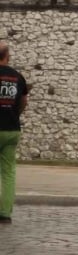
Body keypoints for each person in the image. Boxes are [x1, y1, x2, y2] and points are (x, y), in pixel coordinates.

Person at [0, 41, 29, 225]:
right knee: (9, 172)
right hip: (11, 129)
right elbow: (24, 101)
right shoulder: (17, 77)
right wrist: (14, 113)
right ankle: (5, 213)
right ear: (7, 56)